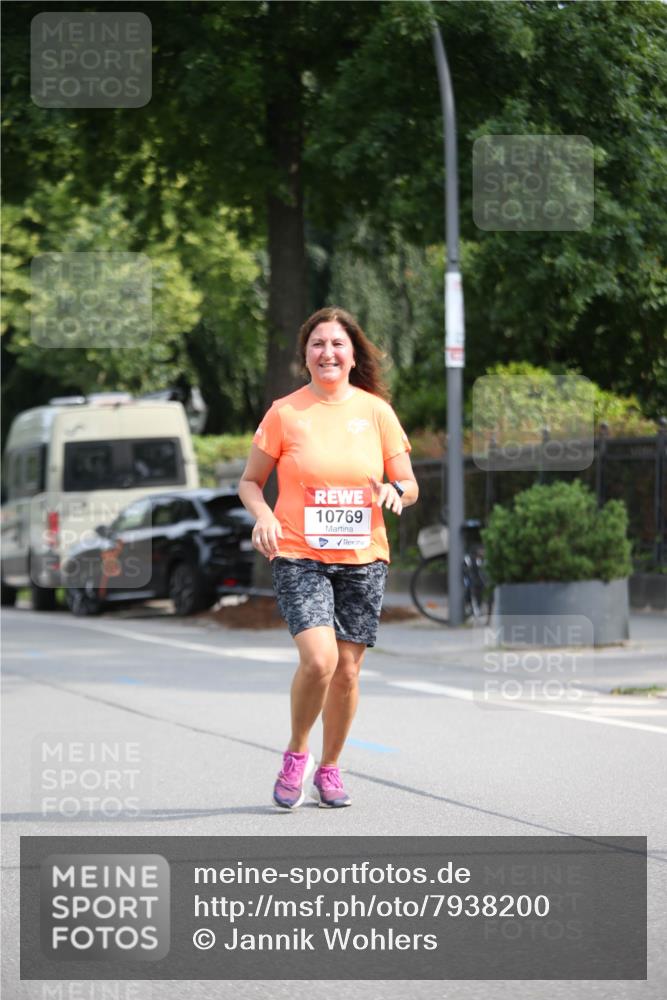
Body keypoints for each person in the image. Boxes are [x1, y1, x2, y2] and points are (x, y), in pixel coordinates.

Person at [239, 306, 418, 810]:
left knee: (347, 671)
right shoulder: (285, 412)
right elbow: (250, 482)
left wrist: (394, 490)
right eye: (318, 344)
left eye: (337, 344)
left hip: (363, 557)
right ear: (306, 356)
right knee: (319, 660)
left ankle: (331, 767)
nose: (328, 352)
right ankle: (297, 753)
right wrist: (264, 516)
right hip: (299, 552)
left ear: (353, 353)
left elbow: (410, 485)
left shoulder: (376, 412)